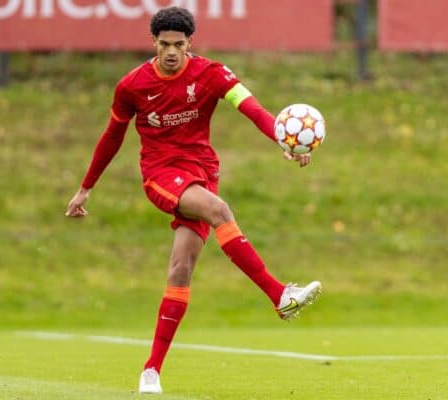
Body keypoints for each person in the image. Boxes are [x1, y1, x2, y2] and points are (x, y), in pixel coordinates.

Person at [65, 6, 322, 395]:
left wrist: (284, 141)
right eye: (164, 44)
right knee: (219, 211)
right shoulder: (131, 85)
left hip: (202, 172)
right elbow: (112, 137)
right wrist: (86, 187)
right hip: (161, 174)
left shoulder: (212, 74)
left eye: (178, 44)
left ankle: (150, 371)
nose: (171, 51)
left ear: (190, 43)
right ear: (153, 43)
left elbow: (252, 110)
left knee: (180, 270)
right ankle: (279, 294)